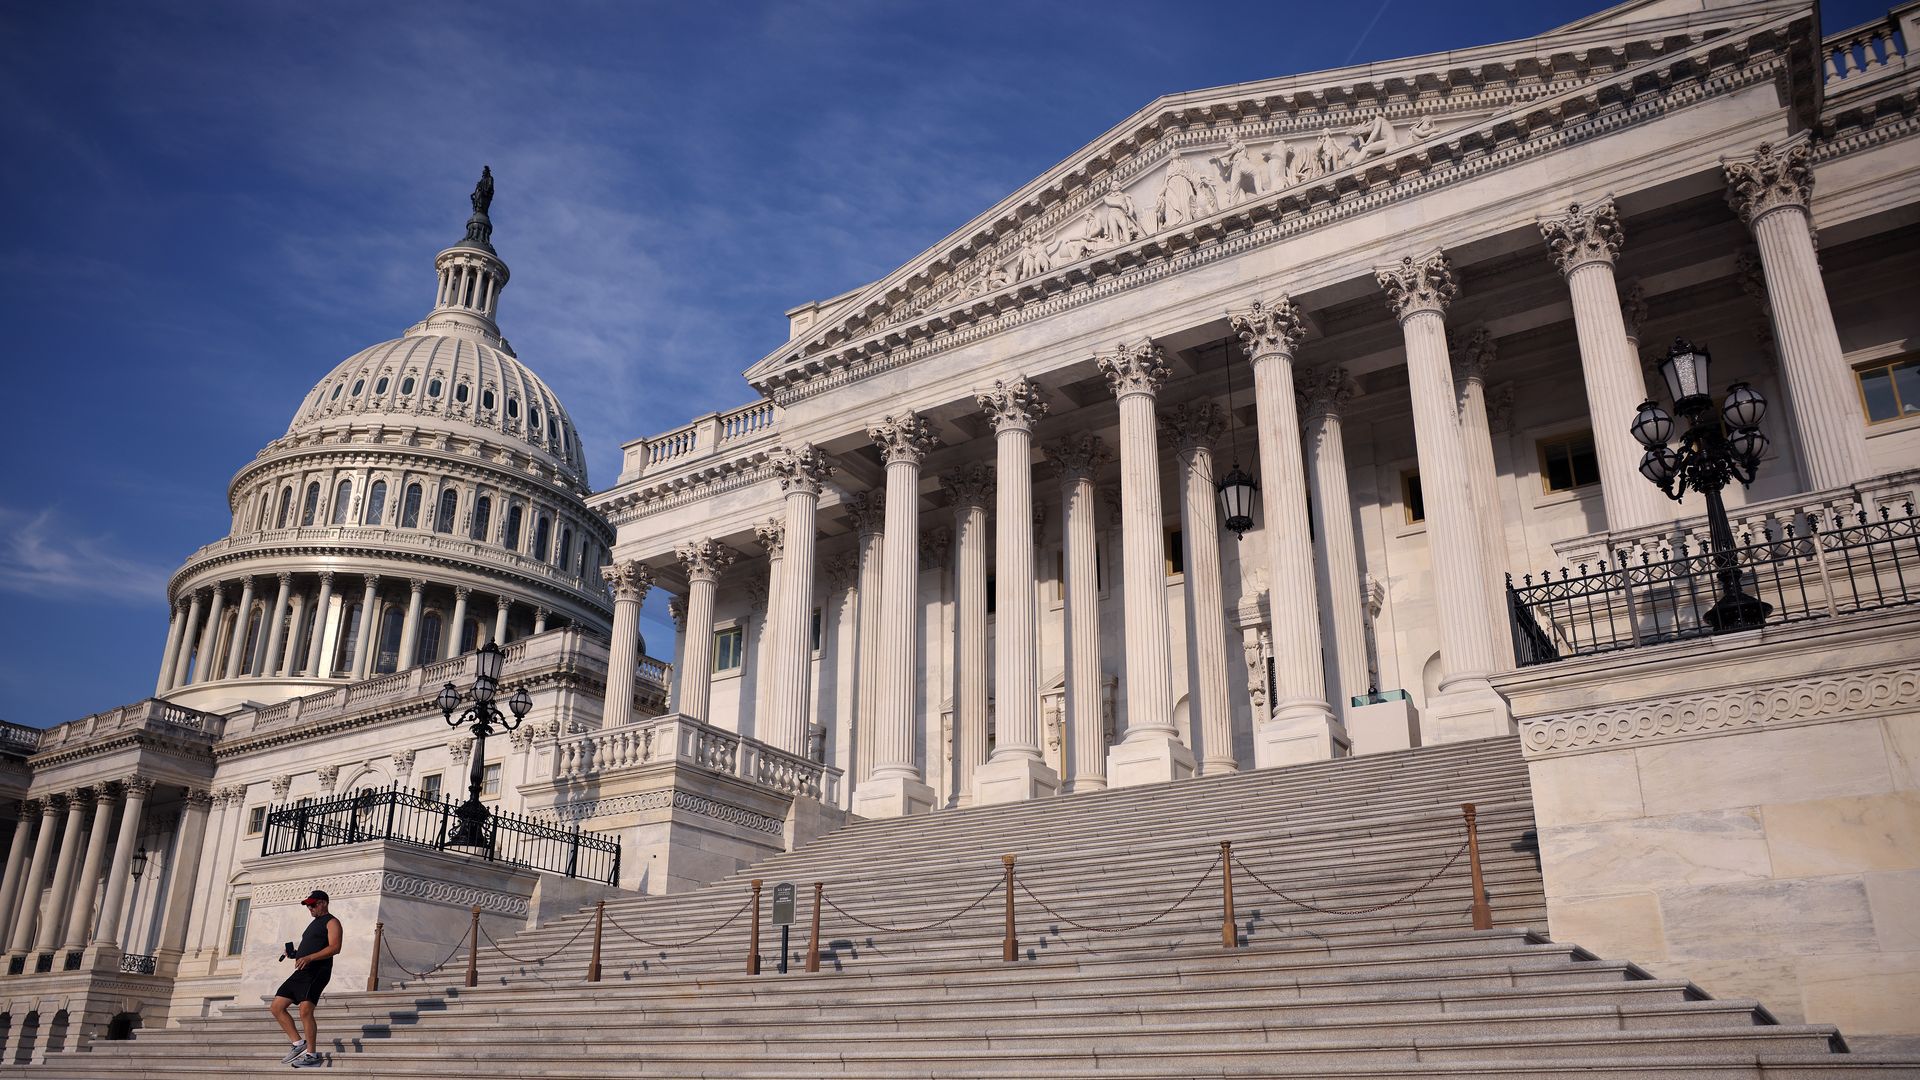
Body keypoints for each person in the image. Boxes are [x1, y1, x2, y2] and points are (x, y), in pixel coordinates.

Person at [270, 889, 342, 1069]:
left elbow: (335, 948)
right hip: (302, 971)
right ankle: (297, 1044)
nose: (309, 908)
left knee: (305, 1010)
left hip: (318, 971)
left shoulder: (332, 922)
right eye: (308, 905)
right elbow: (308, 949)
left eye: (313, 904)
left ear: (323, 903)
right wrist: (295, 954)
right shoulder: (313, 924)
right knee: (276, 1007)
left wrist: (309, 958)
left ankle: (312, 1055)